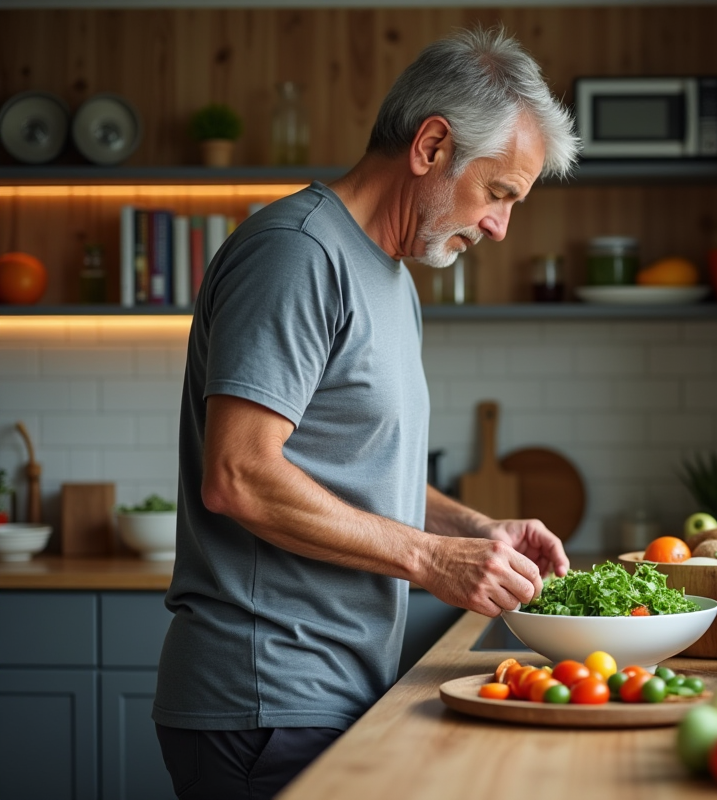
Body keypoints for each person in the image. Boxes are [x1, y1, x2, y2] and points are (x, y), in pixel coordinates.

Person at [152, 27, 579, 799]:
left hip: (332, 690)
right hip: (265, 697)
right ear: (432, 147)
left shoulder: (388, 277)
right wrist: (429, 560)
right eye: (499, 193)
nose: (499, 226)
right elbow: (239, 476)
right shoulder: (297, 253)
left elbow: (358, 478)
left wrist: (473, 532)